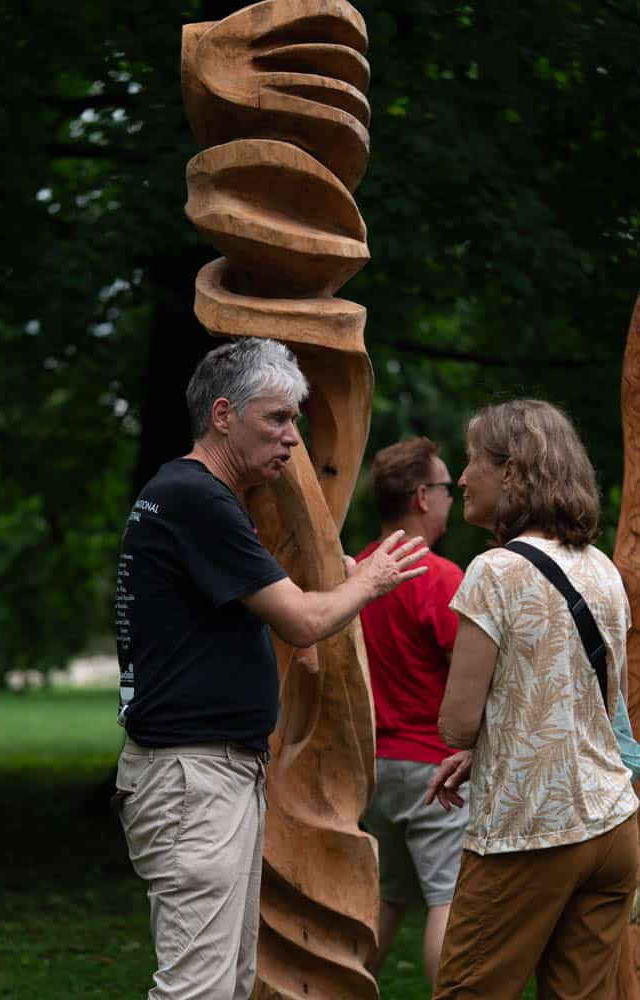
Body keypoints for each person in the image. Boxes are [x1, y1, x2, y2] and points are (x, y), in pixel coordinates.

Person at [113, 337, 428, 1000]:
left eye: (296, 421)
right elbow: (303, 621)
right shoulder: (198, 498)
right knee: (197, 988)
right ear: (223, 415)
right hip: (193, 775)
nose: (293, 439)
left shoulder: (191, 497)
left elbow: (285, 602)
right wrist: (369, 580)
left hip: (206, 772)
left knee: (225, 982)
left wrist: (334, 580)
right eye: (277, 419)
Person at [426, 399, 639, 1000]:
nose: (464, 479)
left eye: (473, 463)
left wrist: (474, 741)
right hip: (613, 829)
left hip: (530, 831)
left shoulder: (493, 571)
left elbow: (458, 724)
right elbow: (592, 707)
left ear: (514, 472)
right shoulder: (601, 569)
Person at [356, 437, 468, 986]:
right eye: (447, 488)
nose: (455, 496)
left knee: (387, 896)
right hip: (438, 770)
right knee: (449, 899)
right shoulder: (443, 579)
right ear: (423, 497)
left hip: (376, 770)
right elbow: (476, 676)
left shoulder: (352, 575)